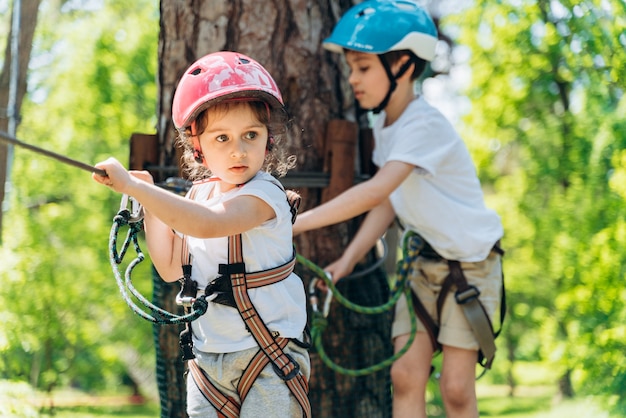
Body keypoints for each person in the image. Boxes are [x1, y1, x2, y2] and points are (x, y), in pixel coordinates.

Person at [293, 1, 503, 417]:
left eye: (364, 68)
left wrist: (293, 225)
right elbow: (391, 200)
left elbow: (376, 190)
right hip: (423, 267)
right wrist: (347, 261)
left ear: (403, 66)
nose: (353, 79)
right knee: (405, 377)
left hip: (471, 266)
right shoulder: (384, 124)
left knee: (457, 389)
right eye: (351, 68)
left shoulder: (422, 125)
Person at [93, 51, 311, 418]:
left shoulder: (265, 193)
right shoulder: (198, 197)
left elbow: (208, 224)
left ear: (268, 140)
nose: (238, 150)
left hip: (269, 356)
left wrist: (139, 187)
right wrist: (141, 196)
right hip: (209, 361)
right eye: (221, 138)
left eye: (251, 135)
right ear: (198, 146)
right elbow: (169, 267)